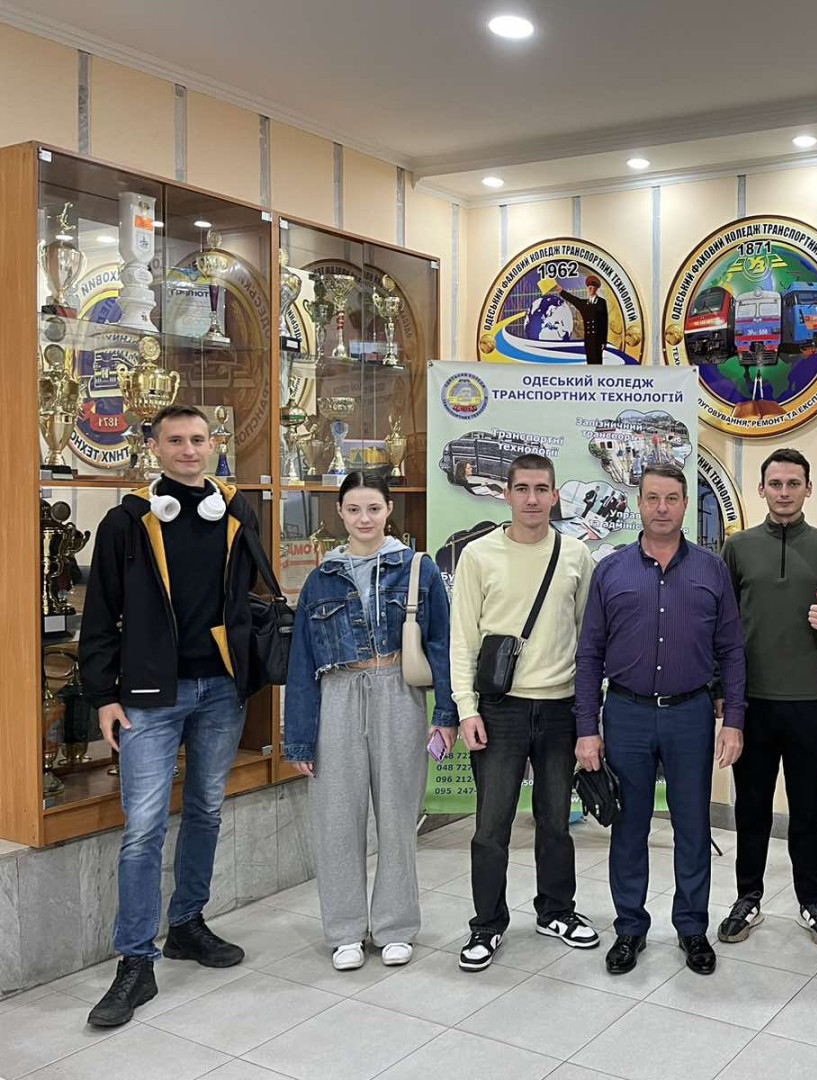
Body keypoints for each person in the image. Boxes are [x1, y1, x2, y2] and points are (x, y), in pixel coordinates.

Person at [79, 404, 269, 1027]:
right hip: (147, 697)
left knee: (207, 810)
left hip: (221, 691)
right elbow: (100, 613)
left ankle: (187, 923)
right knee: (143, 828)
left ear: (214, 445)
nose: (189, 450)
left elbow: (248, 597)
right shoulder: (127, 522)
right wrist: (103, 695)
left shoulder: (236, 512)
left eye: (199, 439)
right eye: (177, 440)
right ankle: (135, 960)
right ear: (155, 448)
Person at [576, 462, 745, 976]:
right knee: (629, 826)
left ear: (685, 504)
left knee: (693, 825)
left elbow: (732, 649)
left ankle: (692, 927)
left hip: (690, 714)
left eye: (672, 498)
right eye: (652, 498)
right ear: (639, 503)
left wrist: (734, 718)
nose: (662, 508)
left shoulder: (712, 570)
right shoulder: (611, 571)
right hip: (625, 714)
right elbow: (589, 654)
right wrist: (587, 729)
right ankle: (630, 927)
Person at [283, 471, 456, 971]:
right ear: (340, 513)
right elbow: (301, 662)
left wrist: (445, 714)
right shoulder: (321, 577)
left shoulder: (418, 568)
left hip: (398, 690)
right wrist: (299, 738)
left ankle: (395, 927)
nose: (364, 519)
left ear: (388, 510)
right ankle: (344, 931)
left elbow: (441, 644)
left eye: (374, 508)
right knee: (337, 819)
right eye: (354, 509)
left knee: (398, 817)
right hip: (337, 693)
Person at [450, 454, 599, 971]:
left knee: (555, 821)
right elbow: (462, 640)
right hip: (500, 710)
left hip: (560, 708)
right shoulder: (478, 555)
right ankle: (487, 924)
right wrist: (466, 708)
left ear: (555, 496)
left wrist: (589, 713)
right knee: (491, 826)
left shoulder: (576, 554)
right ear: (506, 494)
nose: (532, 499)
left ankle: (555, 910)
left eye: (541, 489)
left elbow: (588, 639)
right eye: (522, 489)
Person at [717, 448, 817, 948]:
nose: (783, 492)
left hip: (809, 701)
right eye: (775, 483)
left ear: (808, 489)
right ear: (761, 489)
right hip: (751, 702)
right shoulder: (738, 548)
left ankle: (811, 900)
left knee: (806, 808)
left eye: (793, 483)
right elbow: (721, 622)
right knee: (752, 808)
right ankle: (747, 898)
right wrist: (724, 694)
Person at [555, 274, 610, 365]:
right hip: (588, 340)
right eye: (589, 287)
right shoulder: (584, 304)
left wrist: (603, 341)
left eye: (592, 287)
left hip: (597, 340)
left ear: (596, 289)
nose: (590, 289)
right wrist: (561, 292)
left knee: (597, 364)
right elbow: (573, 299)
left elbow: (604, 323)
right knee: (590, 362)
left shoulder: (601, 302)